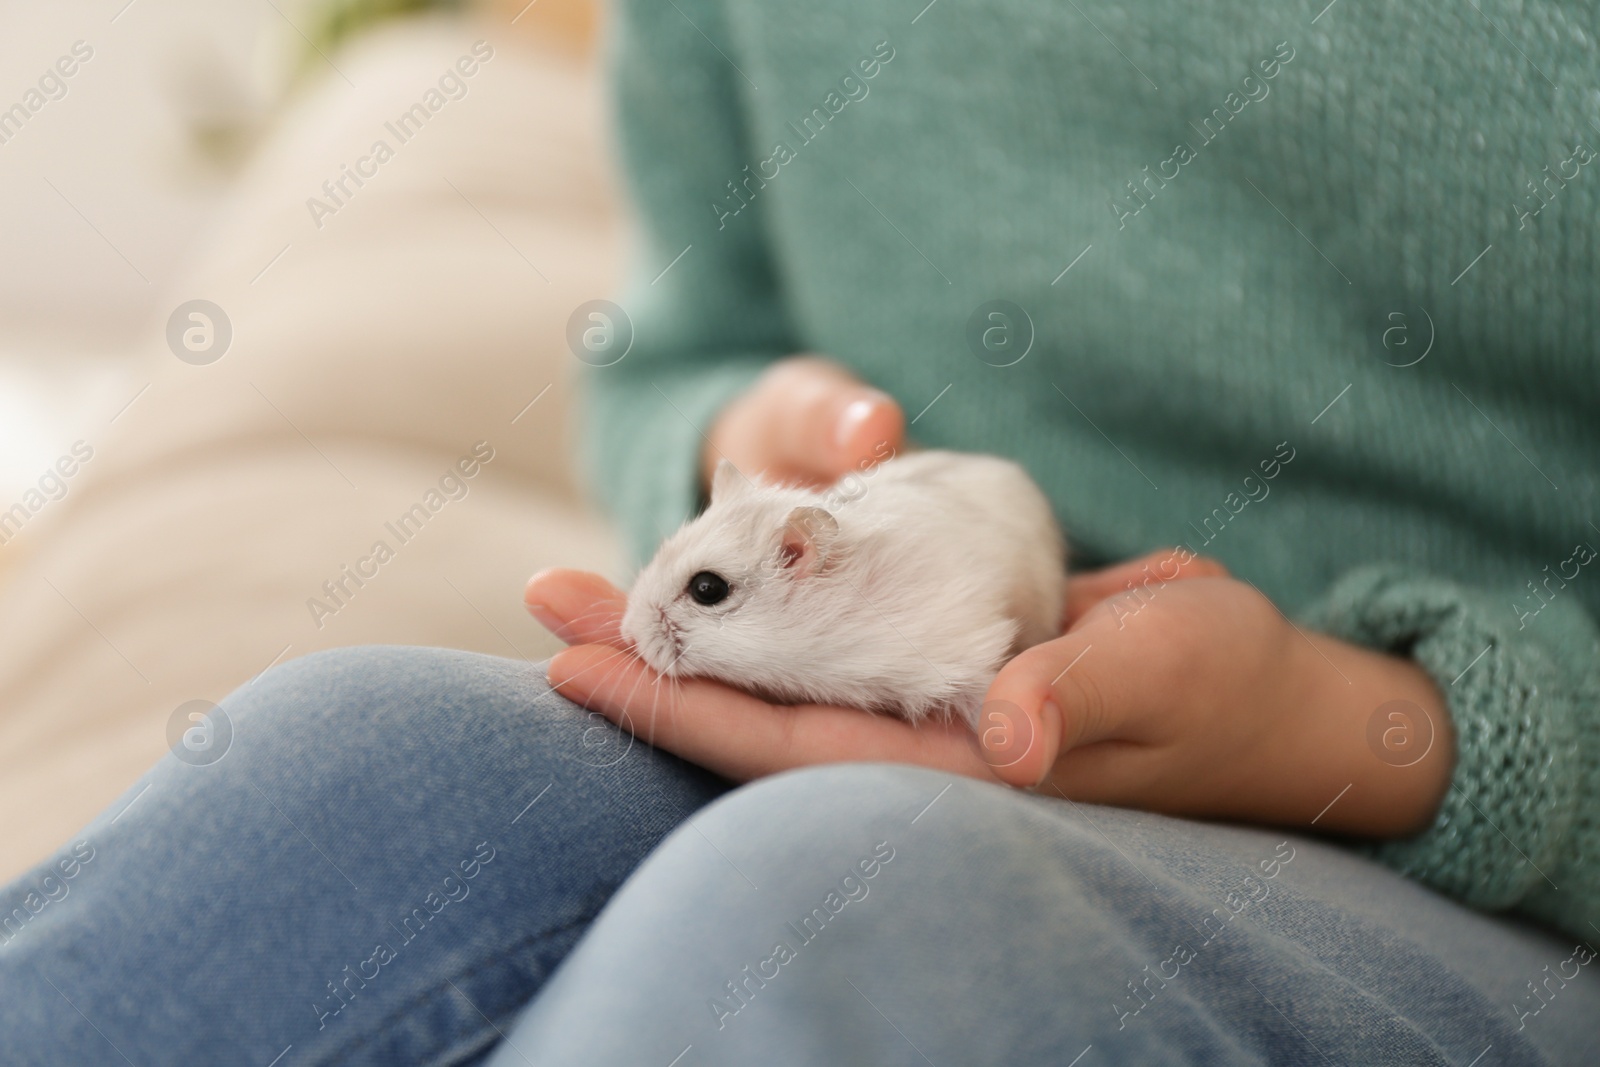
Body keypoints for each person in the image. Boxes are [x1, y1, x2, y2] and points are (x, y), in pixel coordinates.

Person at [4, 0, 1597, 1063]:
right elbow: (684, 340)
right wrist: (721, 435)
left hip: (1499, 877)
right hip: (949, 643)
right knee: (345, 762)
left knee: (825, 898)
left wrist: (1367, 729)